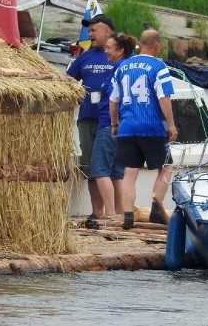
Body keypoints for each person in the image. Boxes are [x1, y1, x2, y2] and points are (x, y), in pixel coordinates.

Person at [109, 29, 178, 230]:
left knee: (129, 172)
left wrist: (114, 124)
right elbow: (163, 97)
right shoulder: (159, 66)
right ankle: (157, 207)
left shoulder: (122, 67)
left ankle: (128, 216)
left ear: (140, 44)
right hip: (151, 127)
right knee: (166, 167)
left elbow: (113, 100)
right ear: (157, 46)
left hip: (128, 126)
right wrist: (171, 124)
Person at [66, 13, 116, 229]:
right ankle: (97, 213)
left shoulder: (117, 56)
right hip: (87, 118)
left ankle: (113, 214)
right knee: (90, 166)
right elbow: (68, 80)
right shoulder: (84, 57)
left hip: (110, 121)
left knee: (108, 168)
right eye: (89, 30)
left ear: (107, 31)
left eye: (94, 30)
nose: (90, 34)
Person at [85, 33, 136, 228]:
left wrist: (113, 123)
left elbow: (114, 98)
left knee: (99, 168)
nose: (105, 51)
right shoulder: (128, 68)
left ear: (120, 50)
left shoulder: (118, 69)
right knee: (116, 172)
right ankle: (121, 215)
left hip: (109, 123)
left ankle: (110, 215)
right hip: (123, 126)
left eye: (109, 48)